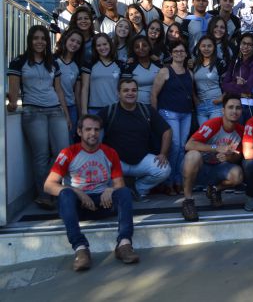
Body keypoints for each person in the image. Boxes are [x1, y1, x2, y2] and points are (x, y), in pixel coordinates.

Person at [44, 114, 139, 271]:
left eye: (96, 129)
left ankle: (124, 245)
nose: (93, 133)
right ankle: (81, 249)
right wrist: (77, 192)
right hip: (77, 207)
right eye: (88, 129)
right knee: (66, 194)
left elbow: (119, 184)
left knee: (124, 192)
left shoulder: (110, 153)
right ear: (79, 132)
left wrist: (110, 189)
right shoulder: (68, 153)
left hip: (103, 204)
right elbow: (48, 185)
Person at [8, 25, 71, 210]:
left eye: (43, 38)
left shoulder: (53, 62)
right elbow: (13, 89)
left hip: (55, 110)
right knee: (41, 155)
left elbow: (59, 90)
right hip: (33, 112)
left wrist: (66, 115)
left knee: (62, 153)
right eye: (36, 38)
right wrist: (12, 103)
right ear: (30, 40)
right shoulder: (19, 61)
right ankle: (44, 196)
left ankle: (54, 188)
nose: (40, 42)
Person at [98, 79, 171, 202]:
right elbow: (91, 128)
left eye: (134, 90)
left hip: (141, 160)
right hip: (116, 162)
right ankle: (118, 191)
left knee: (164, 169)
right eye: (126, 90)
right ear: (118, 93)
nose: (130, 93)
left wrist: (163, 153)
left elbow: (167, 131)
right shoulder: (109, 111)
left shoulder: (146, 110)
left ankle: (137, 189)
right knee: (99, 167)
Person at [182, 93, 245, 221]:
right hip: (200, 167)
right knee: (193, 155)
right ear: (223, 110)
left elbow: (238, 157)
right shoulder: (213, 124)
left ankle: (214, 190)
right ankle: (188, 201)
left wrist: (229, 157)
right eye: (230, 107)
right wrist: (216, 148)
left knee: (237, 174)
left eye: (238, 108)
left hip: (218, 168)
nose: (234, 111)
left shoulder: (241, 130)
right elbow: (189, 145)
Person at [151, 40, 195, 195]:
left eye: (182, 51)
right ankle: (168, 182)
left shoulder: (190, 73)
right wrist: (154, 116)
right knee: (174, 146)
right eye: (176, 51)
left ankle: (178, 181)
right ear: (171, 54)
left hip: (186, 113)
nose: (179, 54)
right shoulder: (165, 71)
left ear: (186, 53)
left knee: (182, 147)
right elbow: (154, 94)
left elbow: (191, 94)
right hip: (169, 113)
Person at [81, 33, 124, 115]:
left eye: (105, 44)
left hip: (115, 109)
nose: (102, 48)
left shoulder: (120, 64)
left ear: (110, 44)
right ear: (95, 48)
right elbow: (85, 88)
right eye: (98, 45)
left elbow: (123, 88)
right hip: (94, 109)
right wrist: (84, 110)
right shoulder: (89, 64)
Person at [222, 33, 253, 124]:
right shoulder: (235, 61)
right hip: (232, 103)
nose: (246, 46)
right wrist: (237, 85)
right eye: (243, 43)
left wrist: (233, 86)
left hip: (246, 104)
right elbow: (224, 85)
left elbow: (248, 88)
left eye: (249, 44)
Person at [55, 29, 84, 143]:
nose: (74, 44)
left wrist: (81, 115)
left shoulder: (78, 65)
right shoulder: (53, 60)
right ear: (66, 39)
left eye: (78, 42)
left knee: (69, 142)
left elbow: (77, 93)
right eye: (72, 40)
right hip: (54, 107)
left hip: (71, 108)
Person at [194, 35, 225, 125]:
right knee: (203, 133)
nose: (206, 49)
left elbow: (229, 82)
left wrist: (222, 97)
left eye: (209, 46)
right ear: (199, 47)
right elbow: (190, 83)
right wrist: (195, 99)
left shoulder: (220, 63)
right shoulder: (195, 64)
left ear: (214, 47)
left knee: (213, 132)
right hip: (200, 105)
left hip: (216, 104)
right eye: (203, 46)